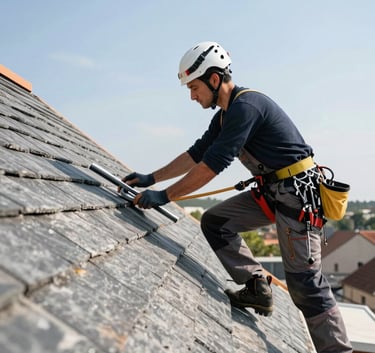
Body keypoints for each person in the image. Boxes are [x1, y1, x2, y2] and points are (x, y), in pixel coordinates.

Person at [123, 41, 352, 353]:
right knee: (215, 222)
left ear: (214, 80)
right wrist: (152, 177)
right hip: (273, 194)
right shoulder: (223, 117)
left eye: (194, 88)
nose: (192, 96)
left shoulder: (247, 107)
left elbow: (210, 167)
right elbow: (196, 154)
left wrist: (164, 195)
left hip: (298, 200)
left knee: (306, 287)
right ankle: (257, 286)